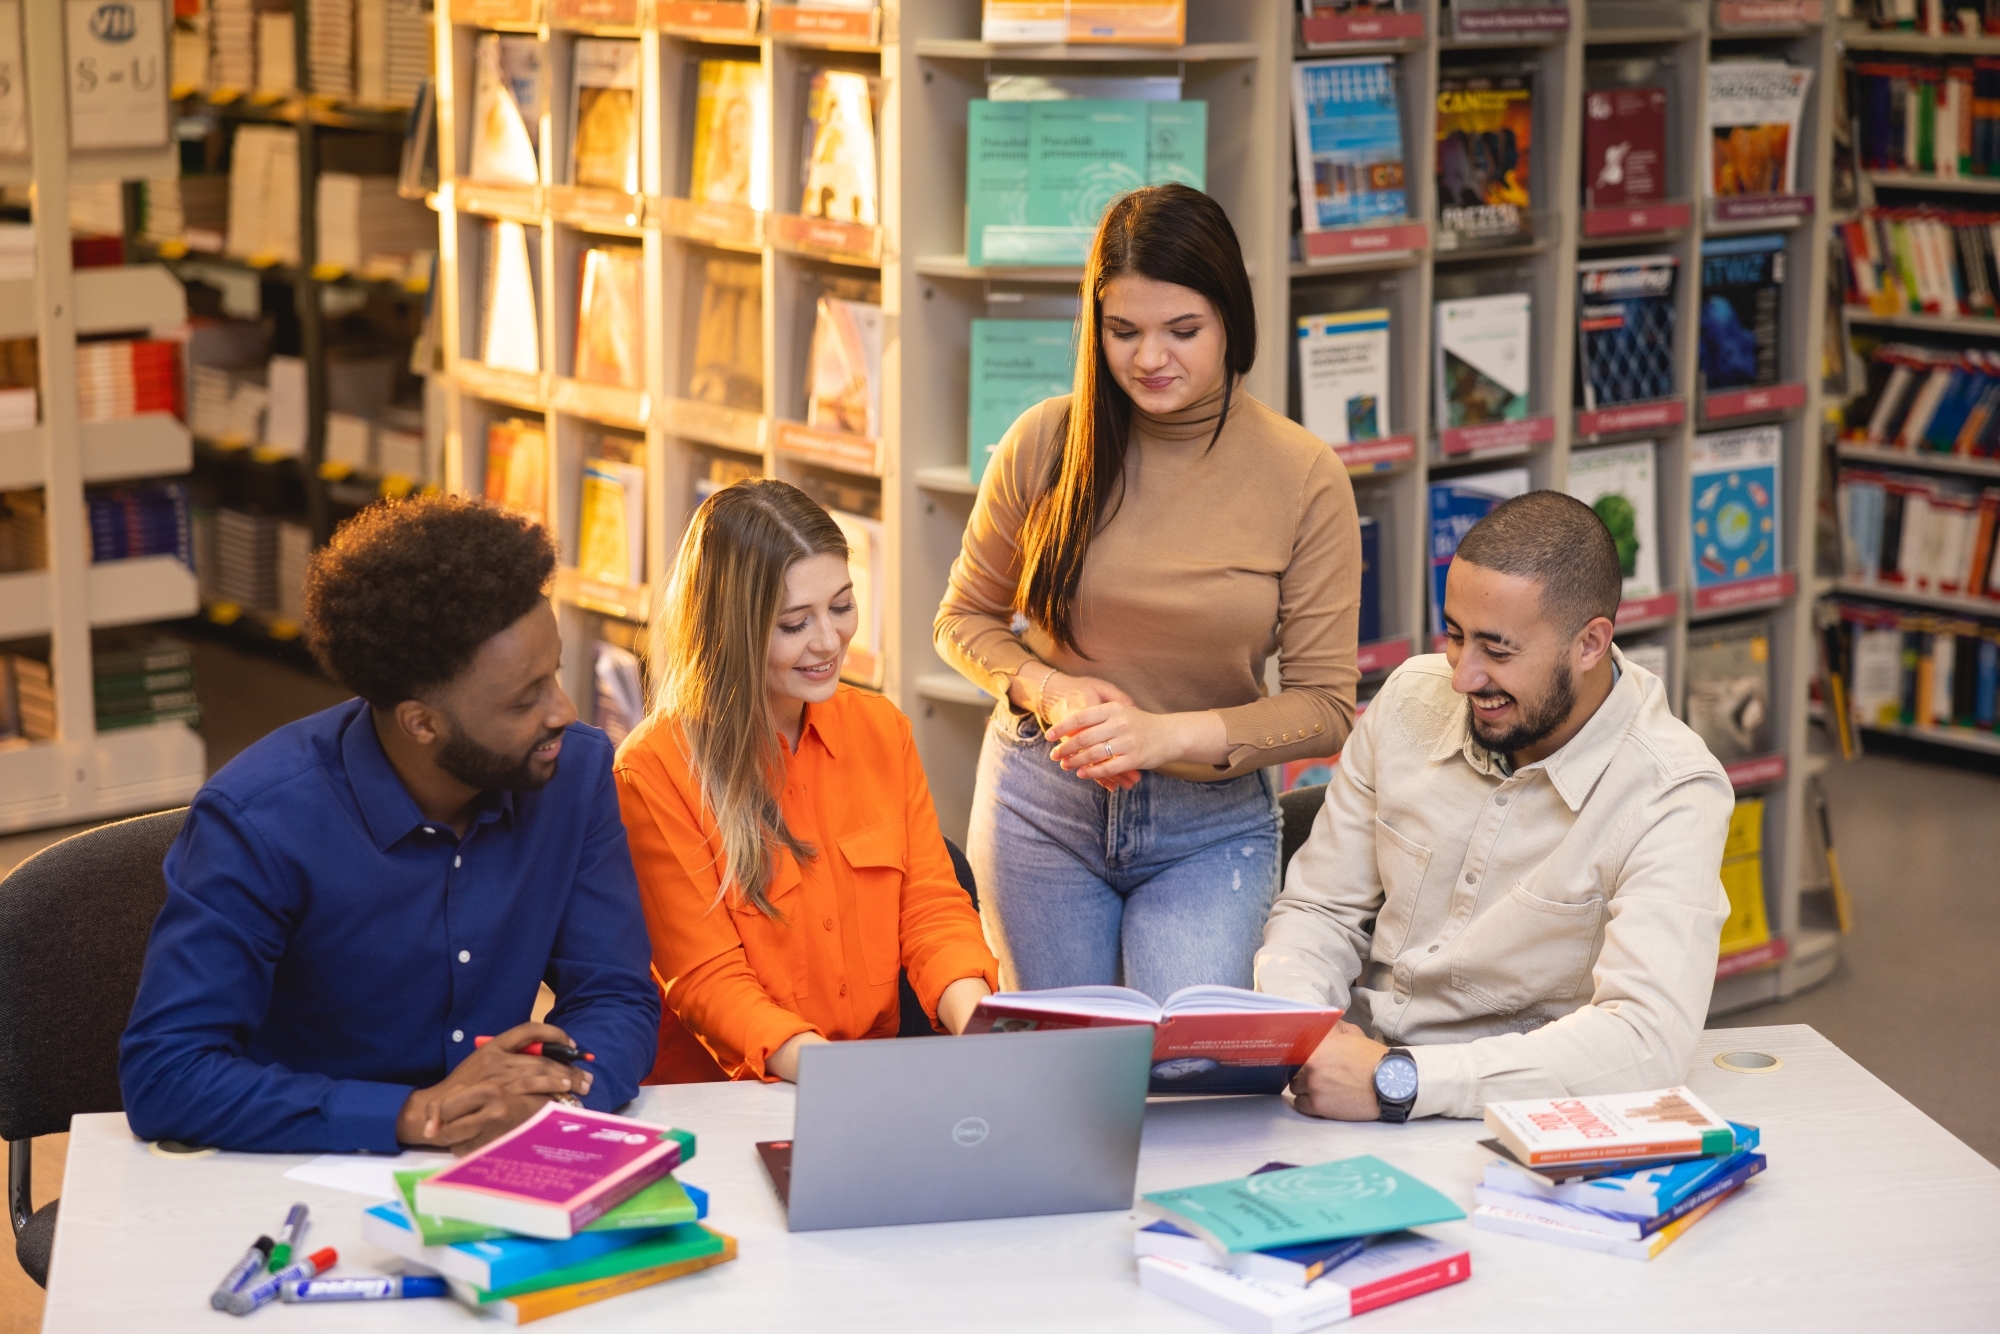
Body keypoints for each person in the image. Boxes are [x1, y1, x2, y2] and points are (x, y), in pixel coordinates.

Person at [119, 497, 659, 1154]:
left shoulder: (573, 773)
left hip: (503, 1160)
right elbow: (167, 1076)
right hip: (305, 1165)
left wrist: (561, 1093)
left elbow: (615, 994)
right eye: (526, 699)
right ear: (421, 723)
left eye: (554, 674)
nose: (563, 711)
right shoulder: (260, 821)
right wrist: (415, 1115)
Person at [934, 182, 1362, 999]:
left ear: (1232, 318)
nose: (1150, 359)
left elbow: (1325, 705)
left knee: (1195, 1072)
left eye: (1183, 330)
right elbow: (963, 619)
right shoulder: (1045, 441)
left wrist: (1163, 736)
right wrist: (1049, 688)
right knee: (1064, 1074)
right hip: (1041, 805)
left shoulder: (1304, 475)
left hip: (1210, 827)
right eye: (1123, 331)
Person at [1256, 491, 1734, 1122]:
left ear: (1590, 644)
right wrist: (1306, 1036)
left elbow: (1645, 1041)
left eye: (1498, 651)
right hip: (1343, 1087)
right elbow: (1320, 908)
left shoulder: (1672, 790)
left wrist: (1401, 1081)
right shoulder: (1407, 700)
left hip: (1507, 1114)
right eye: (1455, 636)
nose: (1462, 677)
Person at [616, 480, 998, 1084]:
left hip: (871, 1077)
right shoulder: (656, 768)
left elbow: (932, 908)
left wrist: (981, 1023)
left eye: (842, 607)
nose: (829, 642)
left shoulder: (880, 729)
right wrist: (835, 1075)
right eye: (794, 623)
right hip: (737, 1096)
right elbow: (710, 982)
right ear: (729, 630)